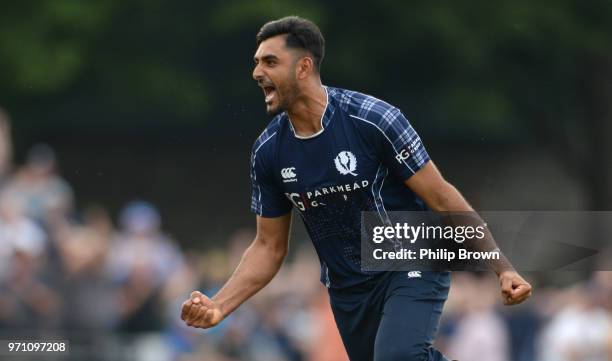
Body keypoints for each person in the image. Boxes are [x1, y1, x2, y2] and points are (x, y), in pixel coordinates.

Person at [181, 16, 532, 361]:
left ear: (303, 67)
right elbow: (268, 247)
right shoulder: (268, 151)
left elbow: (440, 195)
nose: (257, 73)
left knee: (397, 357)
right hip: (347, 287)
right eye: (256, 63)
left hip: (410, 256)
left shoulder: (372, 119)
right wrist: (218, 307)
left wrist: (502, 268)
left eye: (270, 62)